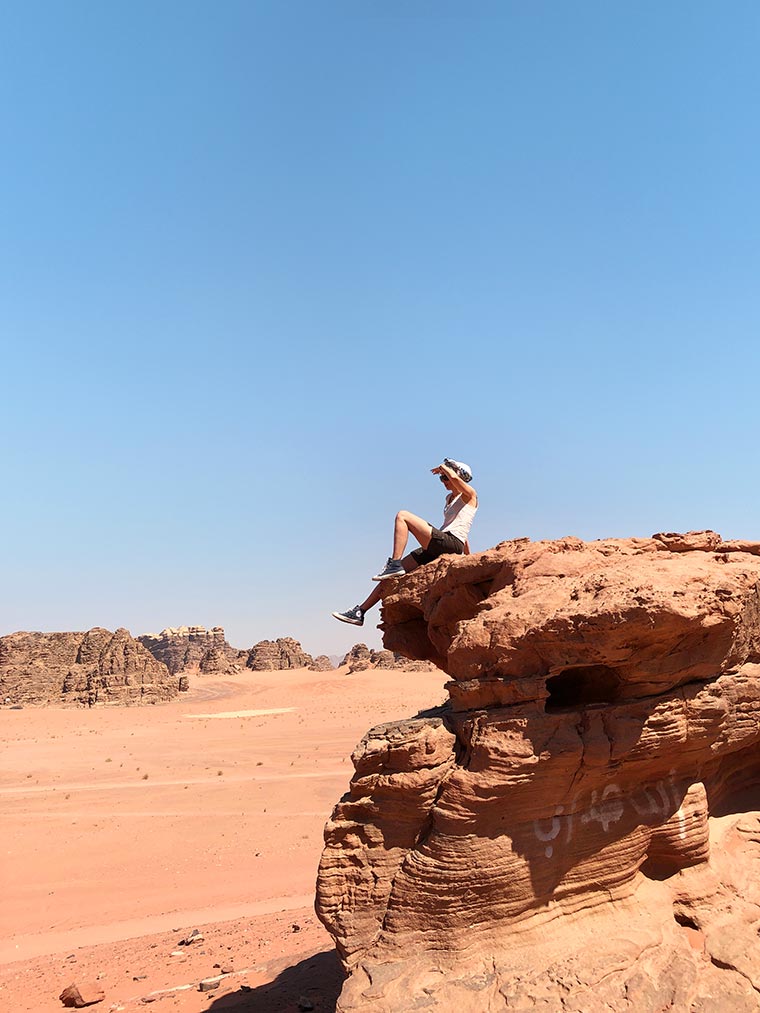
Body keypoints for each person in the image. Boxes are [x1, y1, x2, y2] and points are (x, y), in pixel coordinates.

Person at [332, 458, 478, 627]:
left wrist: (446, 468)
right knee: (391, 577)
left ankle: (393, 563)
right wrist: (468, 558)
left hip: (450, 542)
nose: (443, 481)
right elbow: (464, 531)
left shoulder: (470, 495)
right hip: (444, 544)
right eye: (441, 478)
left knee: (403, 515)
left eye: (445, 478)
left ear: (460, 476)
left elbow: (459, 534)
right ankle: (360, 612)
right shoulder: (449, 499)